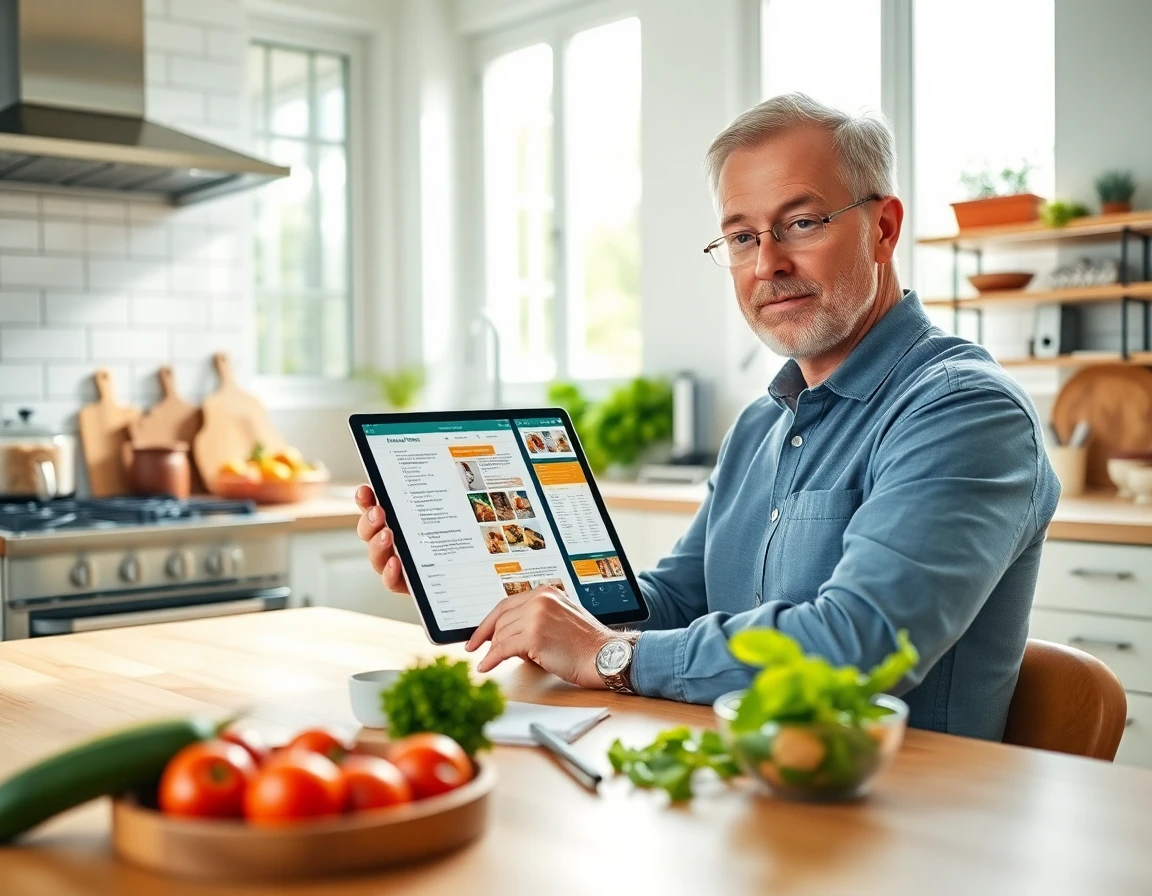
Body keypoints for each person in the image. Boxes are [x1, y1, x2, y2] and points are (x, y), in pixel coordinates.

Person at [356, 93, 1059, 741]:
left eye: (801, 222)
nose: (767, 264)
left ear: (883, 228)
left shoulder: (963, 410)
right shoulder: (763, 424)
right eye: (743, 237)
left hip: (906, 827)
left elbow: (857, 645)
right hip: (749, 797)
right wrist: (492, 586)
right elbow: (676, 599)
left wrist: (603, 654)